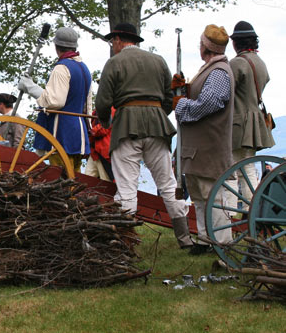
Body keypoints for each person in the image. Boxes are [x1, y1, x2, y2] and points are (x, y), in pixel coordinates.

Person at [95, 22, 193, 250]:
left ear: (119, 39)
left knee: (127, 188)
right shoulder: (158, 61)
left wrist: (106, 121)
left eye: (113, 41)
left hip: (126, 127)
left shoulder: (114, 62)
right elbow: (169, 99)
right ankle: (186, 240)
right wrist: (157, 114)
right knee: (168, 184)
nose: (113, 45)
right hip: (157, 126)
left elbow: (102, 102)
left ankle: (126, 243)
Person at [175, 24, 235, 254]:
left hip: (210, 145)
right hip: (198, 146)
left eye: (201, 44)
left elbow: (211, 102)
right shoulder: (208, 69)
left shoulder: (219, 72)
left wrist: (181, 105)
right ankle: (204, 239)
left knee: (214, 197)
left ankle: (223, 244)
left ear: (205, 47)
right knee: (200, 197)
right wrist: (184, 90)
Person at [17, 27, 92, 172]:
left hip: (61, 132)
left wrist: (30, 87)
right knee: (74, 175)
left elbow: (55, 102)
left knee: (60, 176)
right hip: (78, 130)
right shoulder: (84, 68)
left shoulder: (62, 67)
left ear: (56, 47)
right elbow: (87, 105)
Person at [224, 21, 275, 212]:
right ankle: (251, 214)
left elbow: (225, 91)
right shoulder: (260, 62)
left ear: (236, 43)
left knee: (230, 171)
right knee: (249, 170)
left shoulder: (237, 63)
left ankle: (229, 215)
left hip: (238, 122)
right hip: (255, 121)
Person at [84, 107, 114, 181]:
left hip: (104, 152)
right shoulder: (97, 110)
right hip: (95, 152)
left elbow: (104, 128)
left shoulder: (112, 109)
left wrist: (90, 131)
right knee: (86, 179)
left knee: (106, 182)